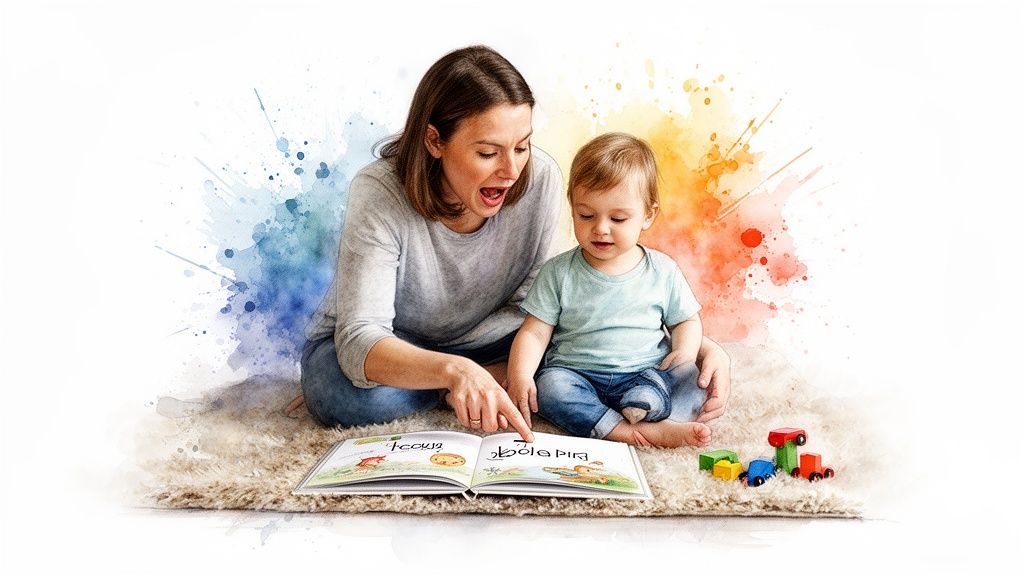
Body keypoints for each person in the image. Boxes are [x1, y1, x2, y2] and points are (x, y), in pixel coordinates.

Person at [294, 46, 732, 443]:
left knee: (559, 369)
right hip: (389, 347)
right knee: (347, 399)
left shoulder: (539, 178)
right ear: (435, 141)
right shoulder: (378, 192)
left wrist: (693, 344)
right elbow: (358, 340)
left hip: (498, 343)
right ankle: (467, 384)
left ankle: (483, 381)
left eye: (521, 147)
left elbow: (546, 307)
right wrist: (453, 371)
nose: (511, 170)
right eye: (488, 153)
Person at [506, 132, 714, 448]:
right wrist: (520, 375)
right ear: (572, 208)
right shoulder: (558, 272)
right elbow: (534, 333)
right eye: (586, 215)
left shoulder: (662, 270)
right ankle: (625, 429)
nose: (601, 228)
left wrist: (683, 352)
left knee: (692, 379)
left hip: (646, 373)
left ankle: (650, 400)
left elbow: (686, 321)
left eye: (618, 218)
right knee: (550, 388)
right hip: (578, 375)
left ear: (647, 215)